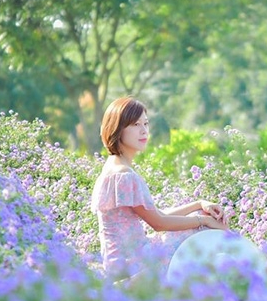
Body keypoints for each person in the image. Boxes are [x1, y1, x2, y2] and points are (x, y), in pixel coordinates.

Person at [90, 97, 228, 280]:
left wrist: (199, 204)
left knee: (204, 225)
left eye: (146, 124)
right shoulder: (123, 175)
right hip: (133, 263)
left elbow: (157, 215)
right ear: (117, 128)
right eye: (135, 124)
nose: (143, 131)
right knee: (204, 231)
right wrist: (204, 221)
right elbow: (159, 224)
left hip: (122, 260)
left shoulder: (113, 167)